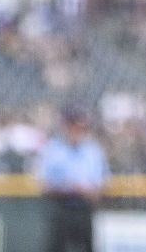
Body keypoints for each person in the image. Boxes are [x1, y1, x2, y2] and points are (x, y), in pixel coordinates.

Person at [35, 107, 105, 252]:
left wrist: (84, 190)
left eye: (78, 125)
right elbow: (45, 185)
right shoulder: (53, 148)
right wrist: (70, 187)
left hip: (84, 209)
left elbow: (99, 187)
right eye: (71, 125)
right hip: (60, 208)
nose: (75, 129)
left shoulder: (92, 150)